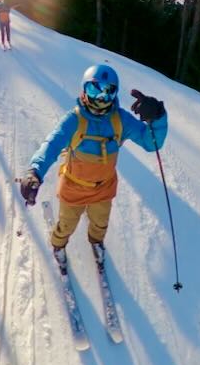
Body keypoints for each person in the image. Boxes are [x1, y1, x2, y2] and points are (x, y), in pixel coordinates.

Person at [18, 64, 168, 264]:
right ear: (84, 89)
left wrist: (157, 116)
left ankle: (96, 241)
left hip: (103, 188)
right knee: (67, 223)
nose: (100, 98)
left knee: (100, 222)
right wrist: (35, 171)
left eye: (108, 92)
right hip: (73, 187)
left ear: (114, 94)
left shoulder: (120, 120)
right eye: (93, 89)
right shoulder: (74, 120)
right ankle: (58, 244)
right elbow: (52, 145)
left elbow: (151, 143)